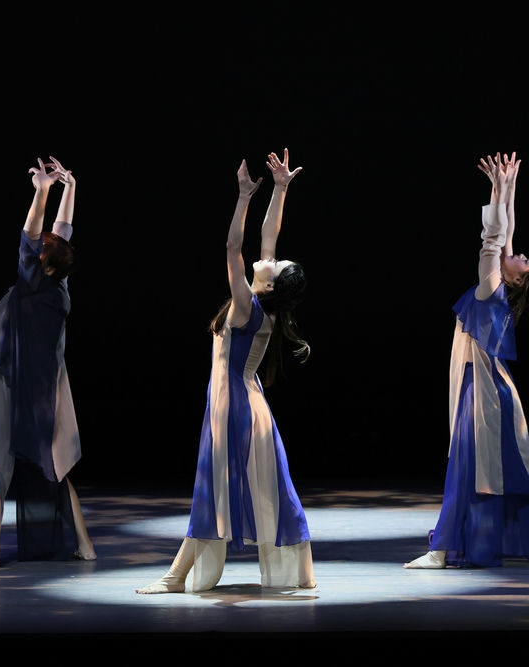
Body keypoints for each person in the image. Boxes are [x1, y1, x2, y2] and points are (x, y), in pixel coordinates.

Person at [136, 148, 316, 594]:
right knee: (254, 490)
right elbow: (269, 235)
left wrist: (242, 197)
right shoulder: (263, 303)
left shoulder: (247, 305)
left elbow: (234, 247)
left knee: (212, 492)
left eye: (274, 263)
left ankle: (175, 578)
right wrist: (279, 189)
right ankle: (298, 573)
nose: (270, 257)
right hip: (246, 404)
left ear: (270, 281)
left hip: (233, 407)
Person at [404, 151, 529, 569]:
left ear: (517, 278)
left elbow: (493, 239)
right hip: (491, 388)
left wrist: (496, 189)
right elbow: (505, 233)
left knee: (475, 469)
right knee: (503, 466)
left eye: (525, 261)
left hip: (484, 394)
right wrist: (506, 186)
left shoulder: (491, 289)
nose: (520, 253)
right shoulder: (500, 291)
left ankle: (444, 550)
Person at [0, 156, 96, 572]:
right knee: (55, 467)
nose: (41, 242)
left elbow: (30, 235)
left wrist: (42, 192)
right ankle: (84, 544)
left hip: (4, 376)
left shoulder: (32, 284)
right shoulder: (58, 286)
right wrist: (71, 189)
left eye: (42, 249)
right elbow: (61, 235)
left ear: (44, 263)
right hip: (38, 390)